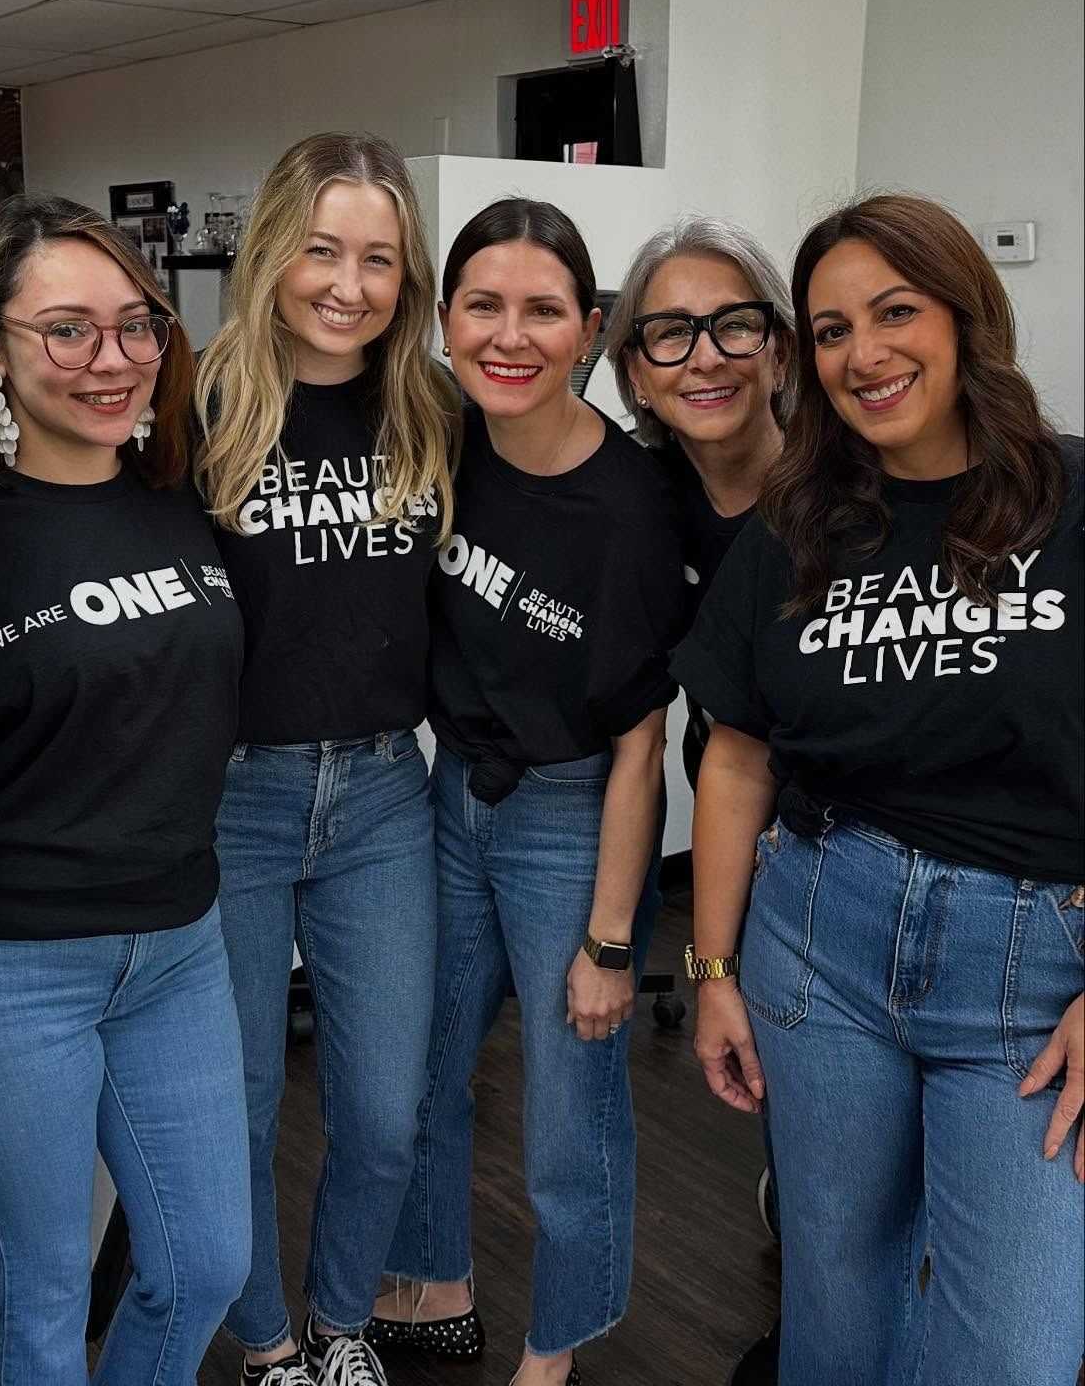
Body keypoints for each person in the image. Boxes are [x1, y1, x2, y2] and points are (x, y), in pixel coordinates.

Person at [673, 193, 1084, 1386]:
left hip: (1030, 970)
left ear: (965, 315)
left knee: (1012, 1351)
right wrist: (710, 971)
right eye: (835, 329)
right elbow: (738, 754)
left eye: (896, 311)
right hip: (820, 942)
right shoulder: (797, 523)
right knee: (837, 1305)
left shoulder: (1071, 500)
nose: (868, 353)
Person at [0, 194, 250, 1386]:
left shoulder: (182, 496)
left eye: (135, 325)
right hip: (3, 962)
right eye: (67, 330)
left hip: (181, 944)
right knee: (42, 1284)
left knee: (205, 1264)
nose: (113, 360)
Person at [372, 199, 687, 1386]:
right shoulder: (445, 442)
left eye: (544, 310)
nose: (511, 335)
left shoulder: (632, 510)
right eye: (483, 306)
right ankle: (436, 1281)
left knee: (568, 1118)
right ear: (445, 325)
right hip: (449, 795)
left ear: (591, 328)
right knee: (420, 1066)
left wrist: (612, 943)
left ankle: (556, 1348)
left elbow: (644, 749)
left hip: (572, 815)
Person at [193, 133, 457, 1386]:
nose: (349, 284)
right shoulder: (196, 405)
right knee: (238, 1106)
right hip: (229, 797)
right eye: (322, 250)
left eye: (380, 259)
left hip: (382, 795)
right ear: (272, 251)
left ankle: (345, 1319)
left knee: (386, 1104)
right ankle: (267, 1342)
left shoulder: (430, 409)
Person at [603, 216, 797, 1385]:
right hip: (742, 816)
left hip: (876, 828)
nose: (705, 356)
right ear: (632, 367)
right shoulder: (644, 504)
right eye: (668, 334)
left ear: (779, 349)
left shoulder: (853, 489)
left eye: (734, 325)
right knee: (803, 1101)